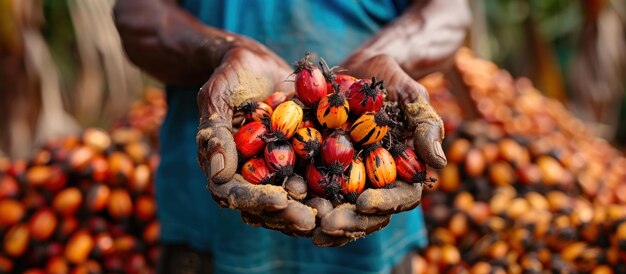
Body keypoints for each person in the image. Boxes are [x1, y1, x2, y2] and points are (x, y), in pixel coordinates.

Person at [113, 0, 470, 273]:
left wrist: (388, 55)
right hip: (205, 228)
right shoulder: (297, 126)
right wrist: (222, 50)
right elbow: (136, 14)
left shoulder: (327, 124)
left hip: (378, 243)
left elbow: (450, 11)